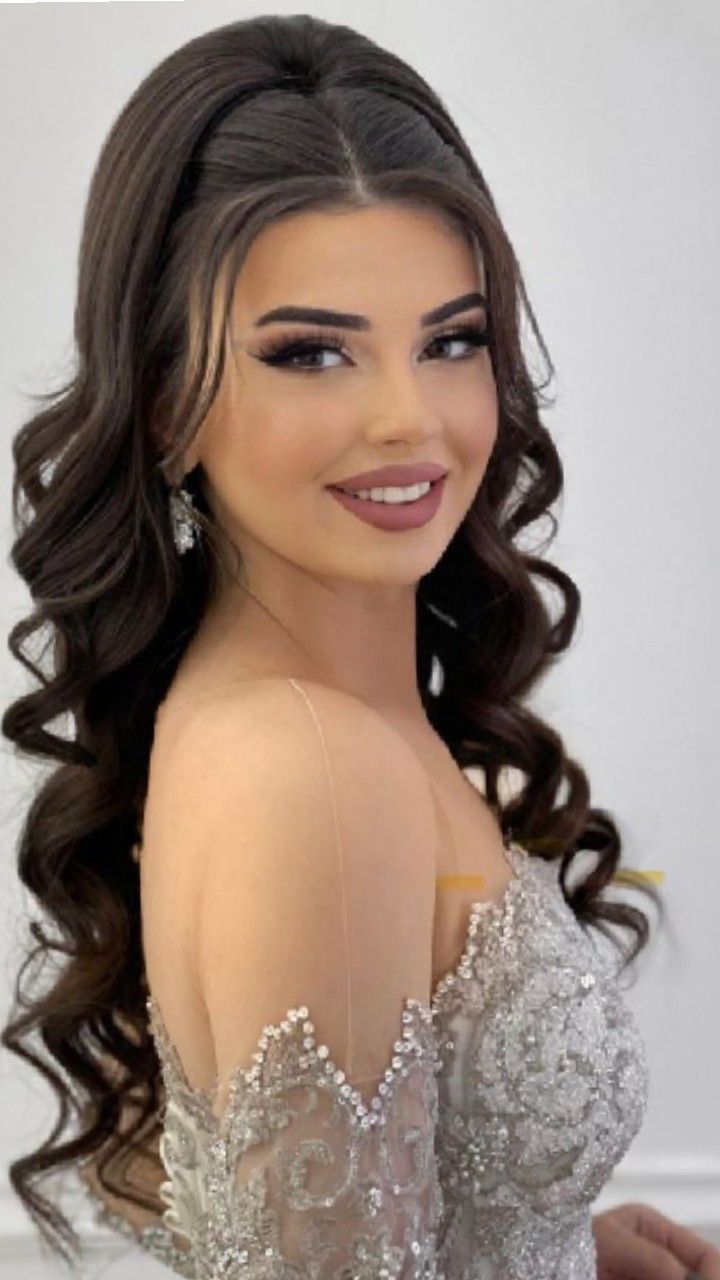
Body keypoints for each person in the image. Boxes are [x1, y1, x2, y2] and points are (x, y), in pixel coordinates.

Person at [3, 13, 718, 1280]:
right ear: (169, 403)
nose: (411, 419)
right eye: (313, 352)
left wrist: (548, 1245)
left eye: (452, 340)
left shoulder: (304, 715)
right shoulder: (318, 776)